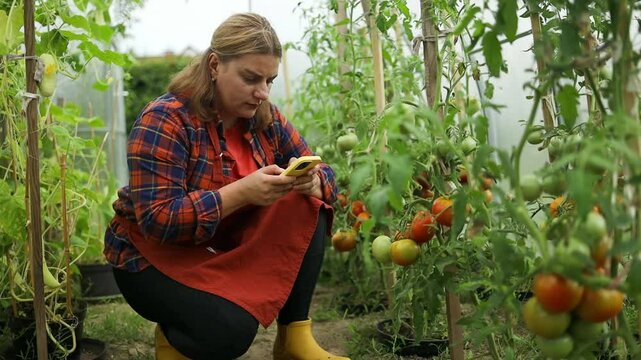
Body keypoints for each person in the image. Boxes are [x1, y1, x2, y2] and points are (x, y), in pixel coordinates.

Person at [103, 13, 350, 360]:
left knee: (306, 204)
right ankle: (174, 339)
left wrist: (312, 181)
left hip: (219, 247)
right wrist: (240, 193)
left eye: (270, 80)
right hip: (149, 258)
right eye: (251, 78)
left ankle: (294, 337)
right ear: (216, 65)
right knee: (230, 332)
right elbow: (157, 219)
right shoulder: (166, 120)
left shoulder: (268, 119)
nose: (262, 92)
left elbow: (328, 179)